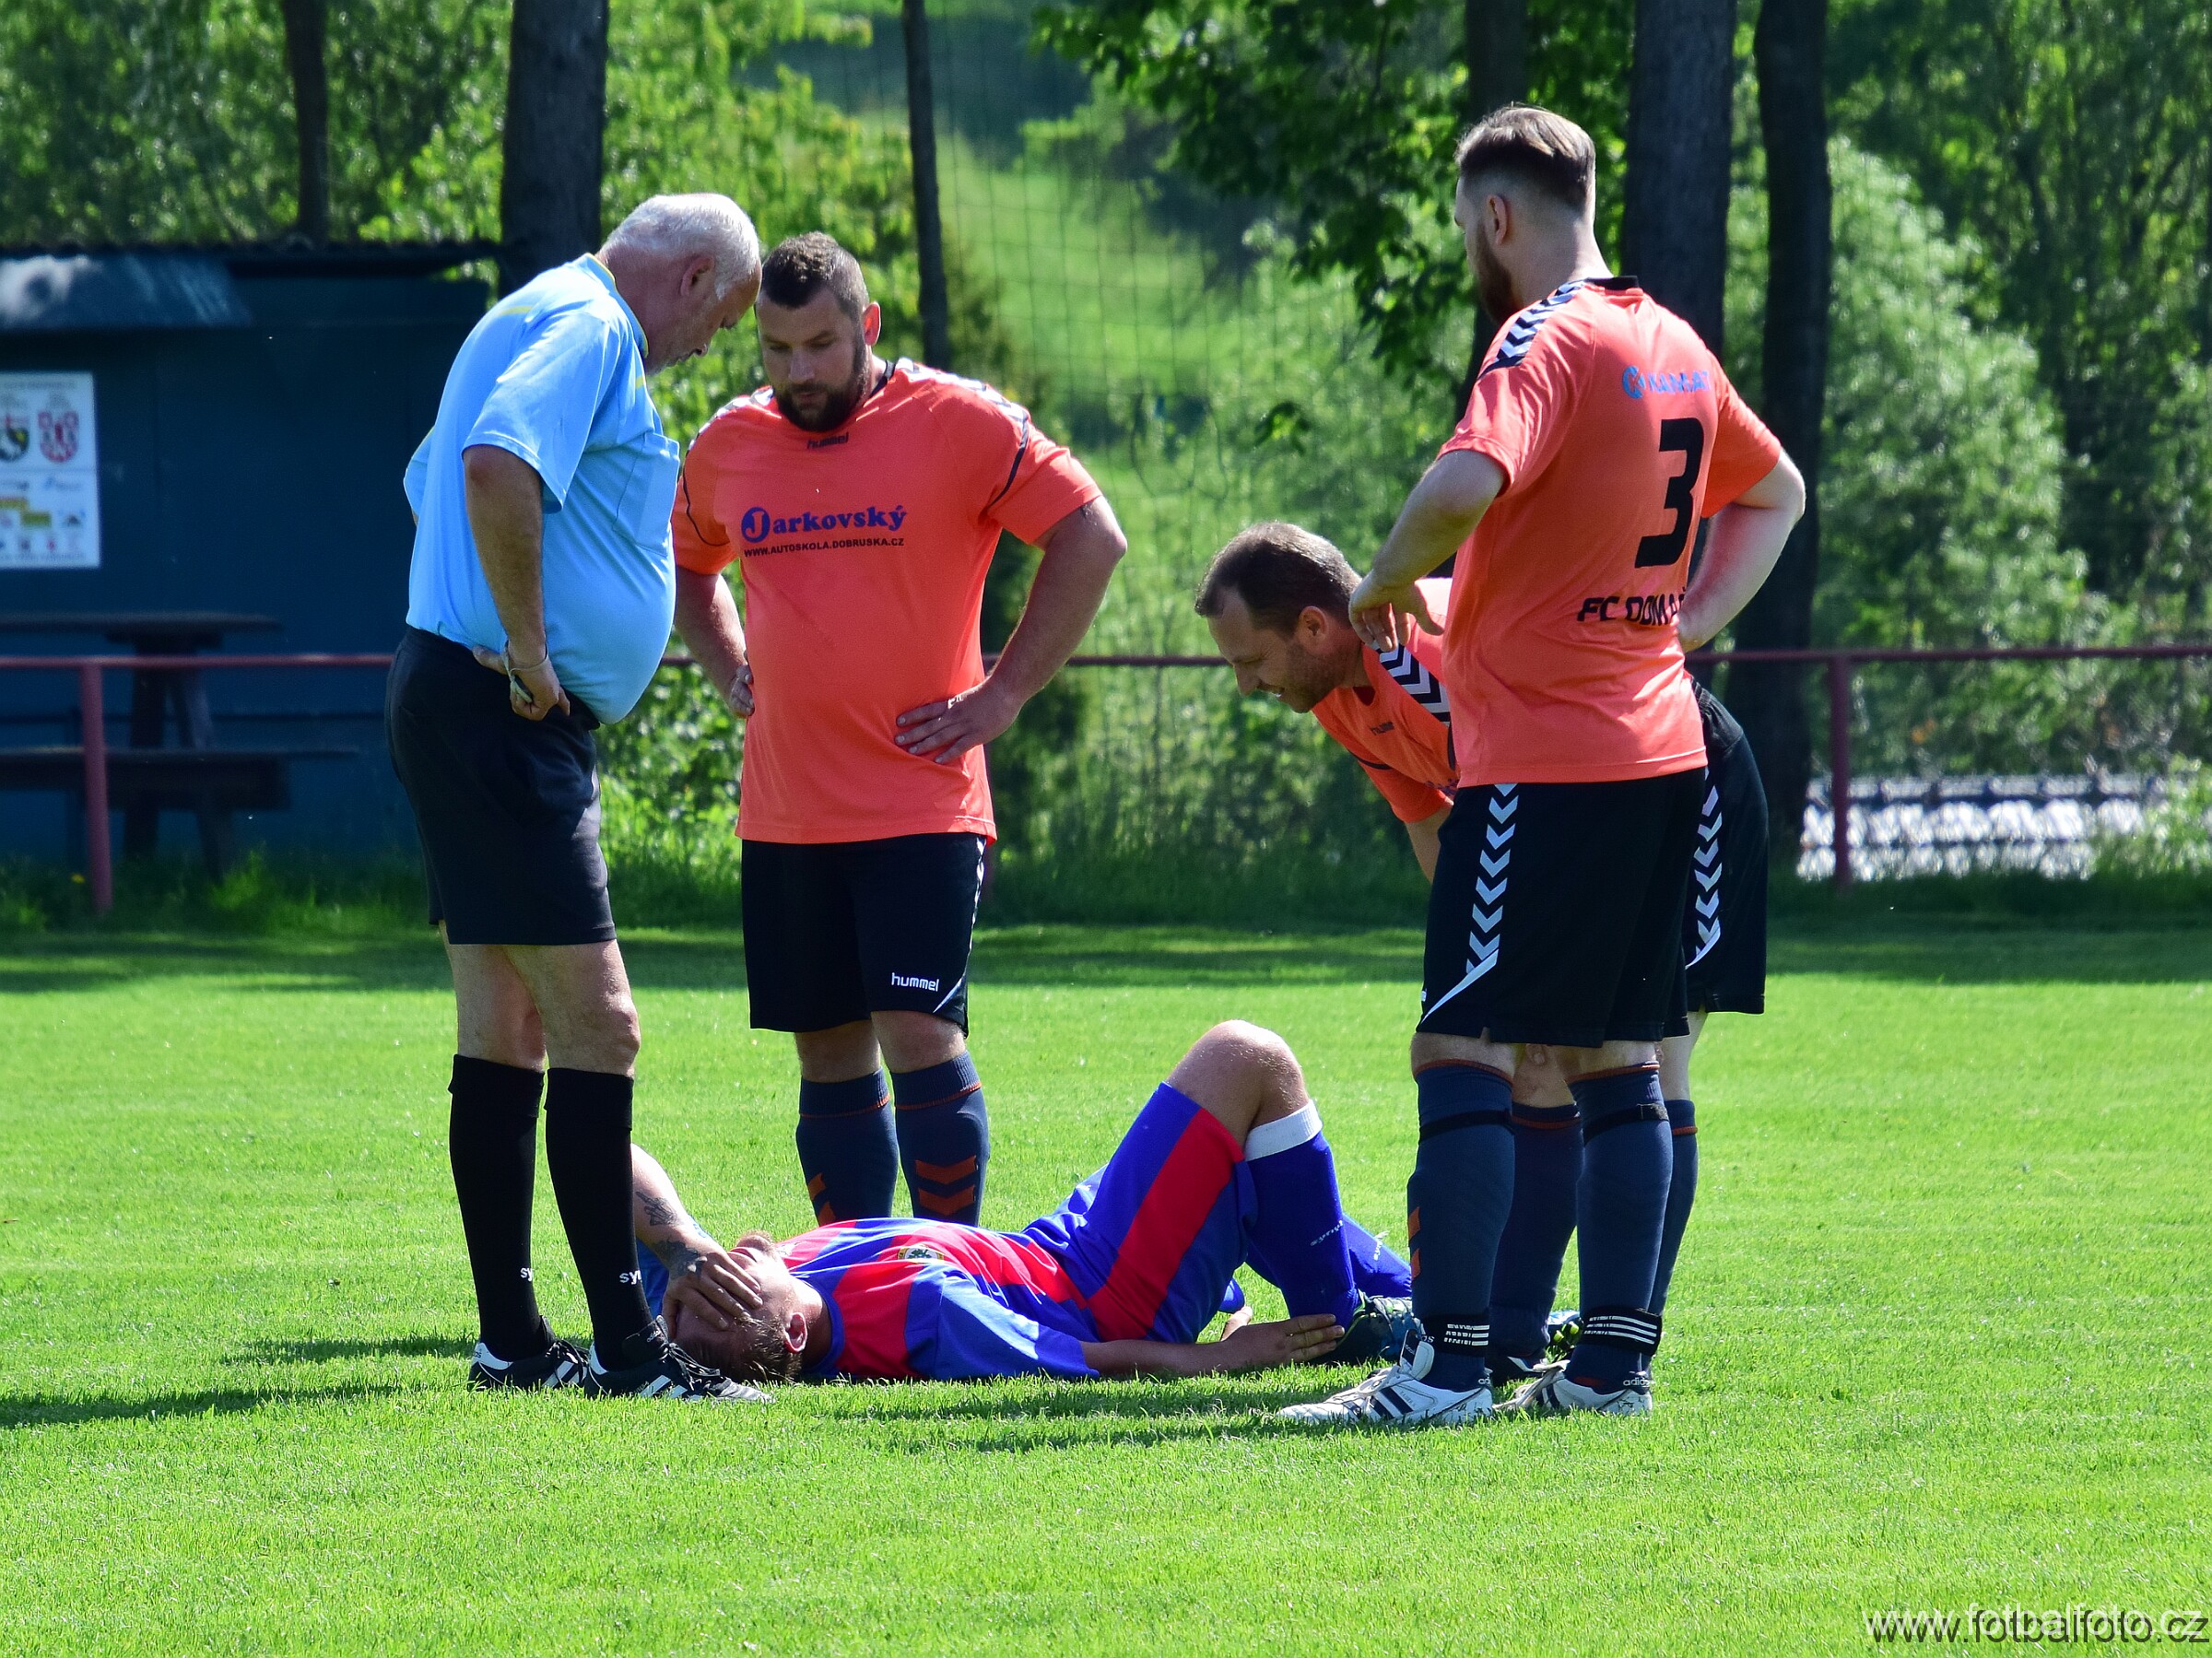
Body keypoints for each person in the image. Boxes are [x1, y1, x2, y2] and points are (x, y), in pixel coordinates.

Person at [1280, 105, 1804, 1427]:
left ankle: (1448, 1367)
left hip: (1546, 760)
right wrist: (1681, 626)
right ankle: (1612, 1370)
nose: (1473, 248)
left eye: (1469, 227)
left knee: (1456, 1041)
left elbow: (1467, 481)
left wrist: (1380, 580)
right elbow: (1777, 491)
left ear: (1498, 216)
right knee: (1617, 1055)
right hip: (1661, 747)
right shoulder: (1670, 340)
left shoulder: (1544, 336)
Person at [1196, 521, 1771, 1397]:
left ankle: (1616, 1350)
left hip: (1685, 784)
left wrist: (1499, 979)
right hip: (1578, 803)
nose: (1247, 682)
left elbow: (1541, 772)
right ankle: (1511, 1338)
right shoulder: (1341, 697)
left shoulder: (1421, 653)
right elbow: (1437, 826)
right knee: (1534, 1060)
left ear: (1314, 626)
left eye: (1251, 659)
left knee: (1647, 1055)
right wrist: (1487, 968)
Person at [388, 194, 769, 1401]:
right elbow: (492, 464)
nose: (708, 346)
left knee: (504, 1023)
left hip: (461, 700)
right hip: (504, 716)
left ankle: (511, 1342)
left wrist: (492, 618)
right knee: (602, 1027)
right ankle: (629, 1349)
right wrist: (527, 644)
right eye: (723, 319)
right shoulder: (595, 323)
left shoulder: (531, 310)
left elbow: (428, 478)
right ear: (694, 276)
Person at [669, 232, 1127, 1230]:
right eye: (778, 349)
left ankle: (951, 1265)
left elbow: (1092, 534)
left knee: (918, 1030)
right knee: (828, 1049)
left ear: (867, 326)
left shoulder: (958, 420)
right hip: (787, 812)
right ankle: (859, 1273)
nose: (799, 371)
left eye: (820, 346)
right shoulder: (729, 444)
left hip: (924, 799)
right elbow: (688, 565)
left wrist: (1003, 694)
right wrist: (726, 662)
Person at [620, 1023, 1418, 1383]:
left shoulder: (705, 1291)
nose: (718, 1270)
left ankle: (1430, 1308)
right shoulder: (921, 1317)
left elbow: (605, 1157)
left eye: (691, 1293)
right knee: (1245, 1058)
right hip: (1113, 1292)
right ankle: (1338, 1327)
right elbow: (1081, 1360)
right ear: (794, 1330)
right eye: (727, 1291)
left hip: (1066, 1241)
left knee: (1244, 1163)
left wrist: (680, 1242)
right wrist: (1224, 1358)